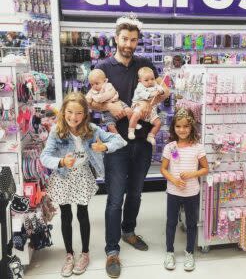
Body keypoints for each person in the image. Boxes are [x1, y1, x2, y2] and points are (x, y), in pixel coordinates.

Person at [90, 14, 170, 278]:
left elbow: (164, 91)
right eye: (124, 38)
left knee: (135, 193)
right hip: (114, 143)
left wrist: (153, 100)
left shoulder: (145, 65)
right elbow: (87, 101)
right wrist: (108, 105)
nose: (128, 44)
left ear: (137, 41)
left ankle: (128, 232)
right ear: (116, 38)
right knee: (115, 197)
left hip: (143, 139)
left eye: (133, 40)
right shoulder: (102, 67)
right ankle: (112, 250)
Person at [40, 92, 127, 277]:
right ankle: (69, 254)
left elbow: (120, 140)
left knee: (82, 213)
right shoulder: (57, 131)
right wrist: (62, 161)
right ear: (64, 112)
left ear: (85, 114)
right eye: (70, 112)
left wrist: (104, 147)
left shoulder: (92, 130)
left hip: (82, 177)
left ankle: (85, 253)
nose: (74, 117)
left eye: (79, 113)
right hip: (63, 176)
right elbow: (44, 157)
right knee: (65, 215)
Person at [160, 108, 209, 272]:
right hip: (173, 192)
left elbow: (205, 169)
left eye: (186, 126)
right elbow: (163, 169)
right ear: (174, 127)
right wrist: (173, 179)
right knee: (171, 222)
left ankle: (189, 252)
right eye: (178, 126)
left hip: (191, 192)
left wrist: (192, 174)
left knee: (191, 223)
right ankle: (169, 251)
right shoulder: (170, 147)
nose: (182, 130)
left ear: (191, 127)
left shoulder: (197, 147)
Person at [85, 69, 135, 133]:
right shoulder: (92, 90)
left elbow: (110, 94)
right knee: (110, 126)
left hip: (117, 102)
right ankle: (117, 138)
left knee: (129, 111)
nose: (94, 86)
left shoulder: (108, 85)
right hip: (106, 111)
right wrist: (88, 100)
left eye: (97, 83)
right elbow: (87, 100)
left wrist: (98, 99)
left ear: (104, 81)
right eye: (92, 84)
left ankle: (132, 126)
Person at [128, 66, 164, 145]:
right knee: (135, 115)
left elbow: (161, 89)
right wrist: (152, 94)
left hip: (151, 110)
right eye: (146, 80)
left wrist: (161, 91)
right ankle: (131, 130)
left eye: (152, 79)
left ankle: (151, 135)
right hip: (138, 106)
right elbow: (142, 94)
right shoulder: (140, 86)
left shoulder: (154, 84)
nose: (150, 81)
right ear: (140, 81)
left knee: (158, 123)